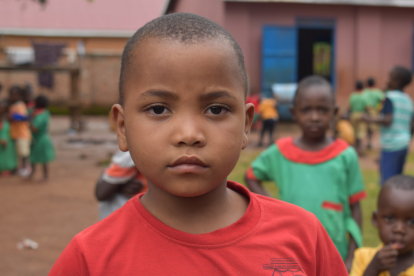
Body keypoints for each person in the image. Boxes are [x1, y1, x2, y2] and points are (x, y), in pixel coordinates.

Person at [49, 13, 348, 275]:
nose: (189, 134)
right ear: (123, 127)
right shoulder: (90, 259)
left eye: (216, 109)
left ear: (246, 125)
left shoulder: (303, 236)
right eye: (158, 109)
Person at [245, 75, 367, 271]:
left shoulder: (346, 155)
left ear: (334, 112)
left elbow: (356, 208)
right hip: (290, 250)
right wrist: (277, 209)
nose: (315, 117)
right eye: (306, 110)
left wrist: (352, 255)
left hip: (336, 251)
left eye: (323, 110)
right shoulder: (281, 151)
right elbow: (252, 176)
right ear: (294, 112)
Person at [350, 174, 414, 276]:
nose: (399, 229)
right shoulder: (362, 257)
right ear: (375, 219)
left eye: (411, 222)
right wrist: (373, 269)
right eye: (390, 218)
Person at [362, 66, 413, 184]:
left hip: (391, 145)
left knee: (387, 182)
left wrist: (369, 119)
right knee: (397, 181)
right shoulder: (408, 100)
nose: (386, 78)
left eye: (389, 76)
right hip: (403, 144)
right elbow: (411, 125)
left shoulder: (390, 98)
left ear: (395, 80)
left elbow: (387, 120)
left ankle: (387, 202)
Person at [95, 150, 147, 220]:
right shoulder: (131, 154)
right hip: (126, 216)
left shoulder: (130, 153)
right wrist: (120, 187)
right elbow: (101, 193)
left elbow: (101, 193)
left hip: (124, 218)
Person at [29, 95, 55, 181]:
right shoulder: (45, 112)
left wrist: (28, 124)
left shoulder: (39, 115)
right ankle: (39, 175)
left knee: (39, 158)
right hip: (43, 138)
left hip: (39, 139)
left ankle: (42, 176)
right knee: (38, 158)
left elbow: (35, 128)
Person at [8, 85, 32, 177]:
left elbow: (24, 117)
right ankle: (20, 168)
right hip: (15, 133)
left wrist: (13, 117)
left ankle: (26, 168)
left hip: (23, 133)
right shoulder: (12, 105)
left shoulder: (20, 105)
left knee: (23, 152)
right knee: (18, 152)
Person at [363, 78, 385, 150]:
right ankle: (369, 142)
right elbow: (383, 100)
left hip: (365, 111)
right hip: (374, 112)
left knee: (366, 127)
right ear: (374, 83)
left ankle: (366, 143)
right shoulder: (377, 92)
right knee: (372, 128)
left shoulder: (364, 91)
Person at [349, 80, 369, 154]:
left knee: (354, 131)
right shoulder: (364, 96)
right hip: (362, 115)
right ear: (362, 87)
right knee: (361, 133)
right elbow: (367, 107)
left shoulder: (353, 95)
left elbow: (349, 106)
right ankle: (360, 149)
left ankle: (354, 148)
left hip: (353, 115)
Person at [0, 100, 17, 176]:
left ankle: (8, 169)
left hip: (7, 139)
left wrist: (4, 139)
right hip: (3, 138)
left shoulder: (9, 117)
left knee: (8, 155)